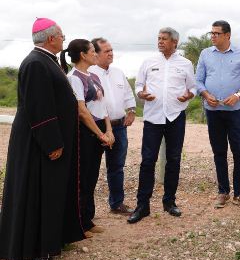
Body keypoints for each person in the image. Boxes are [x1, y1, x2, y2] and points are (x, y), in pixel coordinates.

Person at [0, 18, 84, 260]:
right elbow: (39, 108)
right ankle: (33, 248)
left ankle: (49, 241)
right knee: (37, 193)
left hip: (43, 141)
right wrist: (52, 143)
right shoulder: (36, 63)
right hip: (37, 143)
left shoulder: (46, 60)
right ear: (50, 38)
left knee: (49, 192)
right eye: (61, 35)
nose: (64, 38)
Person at [128, 27, 196, 224]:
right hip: (153, 117)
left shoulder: (185, 63)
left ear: (175, 42)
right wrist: (141, 94)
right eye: (159, 38)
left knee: (173, 159)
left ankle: (169, 202)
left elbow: (192, 87)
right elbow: (138, 85)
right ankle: (142, 206)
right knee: (147, 161)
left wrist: (188, 95)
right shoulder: (149, 62)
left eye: (164, 39)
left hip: (176, 116)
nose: (160, 41)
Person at [196, 20, 240, 210]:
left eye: (217, 33)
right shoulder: (205, 54)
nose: (213, 36)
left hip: (235, 112)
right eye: (211, 33)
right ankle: (223, 192)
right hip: (213, 112)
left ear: (227, 35)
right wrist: (206, 95)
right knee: (219, 152)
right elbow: (198, 81)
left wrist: (237, 95)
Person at [62, 39, 115, 237]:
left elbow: (102, 106)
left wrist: (109, 130)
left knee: (92, 176)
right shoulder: (74, 78)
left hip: (99, 129)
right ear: (83, 55)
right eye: (93, 51)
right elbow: (82, 111)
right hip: (86, 132)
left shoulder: (93, 75)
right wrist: (99, 134)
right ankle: (78, 223)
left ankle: (87, 218)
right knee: (82, 178)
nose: (96, 54)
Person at [89, 38, 137, 215]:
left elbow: (128, 93)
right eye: (106, 51)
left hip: (119, 127)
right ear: (95, 54)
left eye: (111, 50)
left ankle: (117, 203)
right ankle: (86, 211)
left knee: (117, 167)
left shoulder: (118, 72)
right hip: (95, 128)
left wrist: (131, 110)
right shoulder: (88, 74)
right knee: (90, 168)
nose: (111, 53)